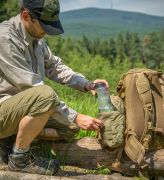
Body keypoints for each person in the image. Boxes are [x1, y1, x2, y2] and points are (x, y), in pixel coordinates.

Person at [0, 0, 107, 176]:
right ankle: (19, 158)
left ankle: (14, 141)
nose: (46, 32)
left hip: (23, 110)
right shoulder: (5, 38)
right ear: (26, 16)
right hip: (4, 110)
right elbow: (31, 87)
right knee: (46, 95)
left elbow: (55, 66)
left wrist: (86, 84)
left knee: (70, 128)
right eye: (44, 25)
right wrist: (76, 115)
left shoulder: (36, 37)